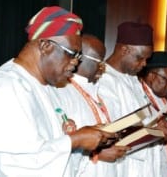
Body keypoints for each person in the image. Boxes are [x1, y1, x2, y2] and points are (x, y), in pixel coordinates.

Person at [0, 6, 115, 176]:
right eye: (72, 54)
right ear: (46, 45)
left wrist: (81, 137)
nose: (75, 63)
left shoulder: (48, 88)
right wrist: (73, 141)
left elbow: (50, 154)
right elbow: (13, 166)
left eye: (78, 57)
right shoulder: (5, 86)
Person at [49, 34, 128, 177]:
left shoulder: (100, 91)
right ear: (80, 59)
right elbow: (58, 143)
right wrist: (95, 153)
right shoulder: (62, 91)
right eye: (99, 61)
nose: (103, 67)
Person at [97, 21, 157, 177]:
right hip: (124, 164)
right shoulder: (104, 79)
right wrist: (152, 130)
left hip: (144, 162)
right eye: (140, 58)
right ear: (124, 50)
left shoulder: (133, 79)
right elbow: (115, 128)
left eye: (147, 59)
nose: (144, 64)